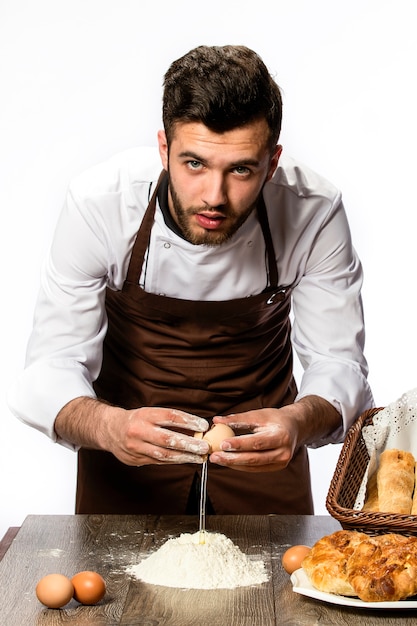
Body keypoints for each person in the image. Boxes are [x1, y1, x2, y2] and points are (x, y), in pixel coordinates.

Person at [8, 45, 374, 515]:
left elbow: (338, 363)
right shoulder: (101, 205)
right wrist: (108, 428)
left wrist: (297, 422)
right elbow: (51, 365)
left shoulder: (314, 211)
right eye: (194, 163)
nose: (214, 197)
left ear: (273, 161)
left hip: (260, 463)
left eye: (241, 169)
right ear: (164, 149)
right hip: (128, 463)